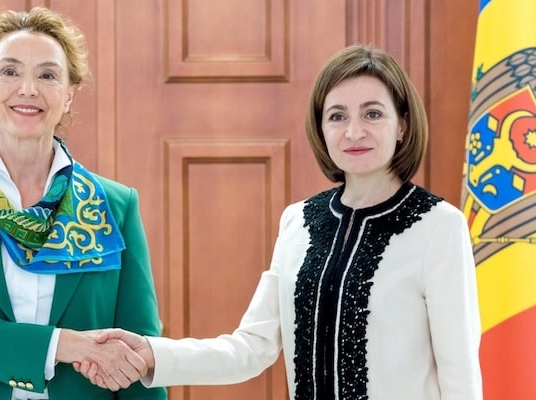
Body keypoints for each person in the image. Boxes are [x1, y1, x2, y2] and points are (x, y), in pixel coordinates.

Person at [78, 44, 483, 400]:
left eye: (372, 113)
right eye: (337, 116)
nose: (353, 131)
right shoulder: (299, 222)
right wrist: (154, 354)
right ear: (321, 128)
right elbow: (250, 348)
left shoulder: (438, 226)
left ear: (403, 126)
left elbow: (460, 375)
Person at [0, 7, 166, 400]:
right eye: (9, 71)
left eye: (47, 75)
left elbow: (136, 349)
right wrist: (65, 344)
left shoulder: (115, 206)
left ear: (69, 92)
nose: (28, 89)